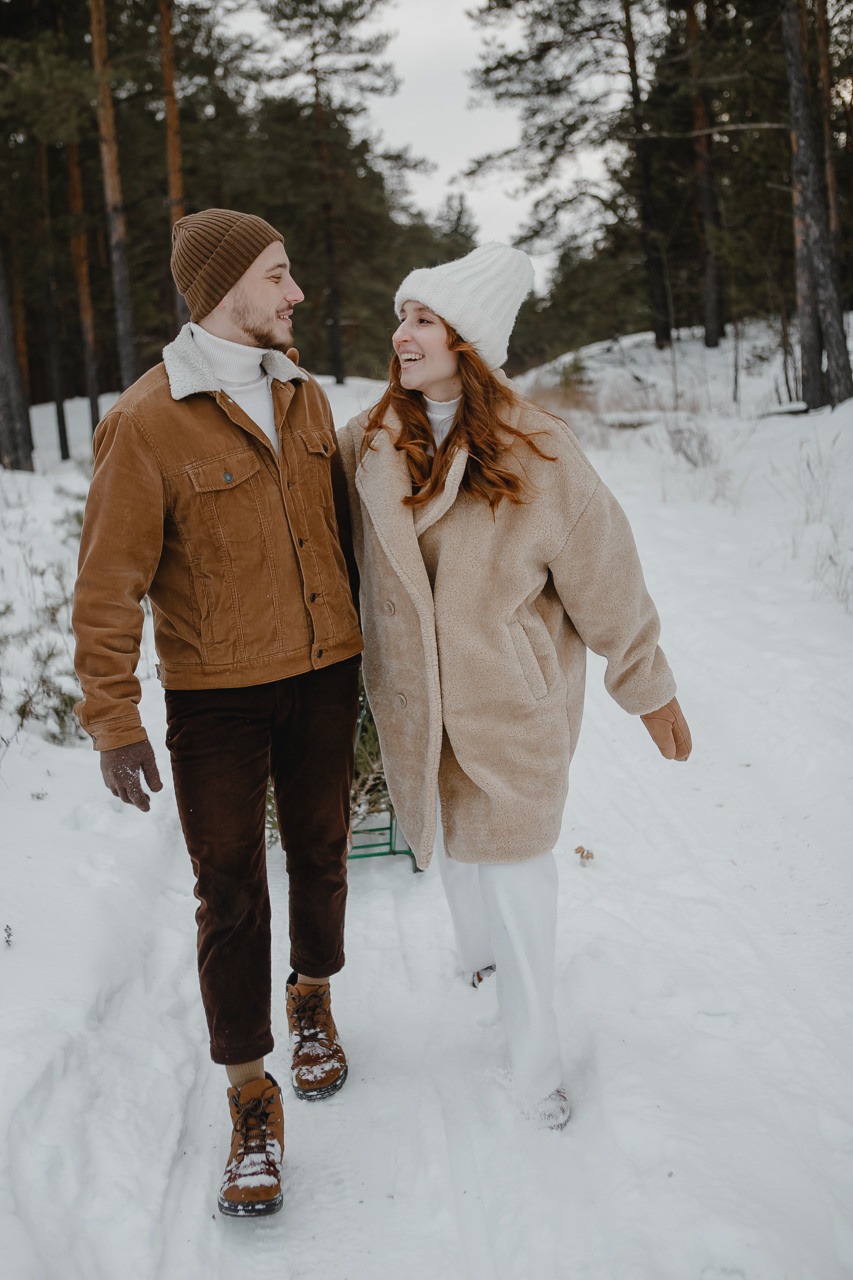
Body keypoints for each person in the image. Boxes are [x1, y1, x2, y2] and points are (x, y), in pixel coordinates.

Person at [337, 243, 691, 1130]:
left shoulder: (538, 449)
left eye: (421, 319)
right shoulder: (369, 441)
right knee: (455, 845)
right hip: (416, 704)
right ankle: (477, 961)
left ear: (467, 341)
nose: (401, 334)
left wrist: (646, 684)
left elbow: (606, 573)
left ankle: (537, 1066)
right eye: (401, 316)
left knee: (518, 873)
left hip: (511, 705)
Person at [72, 209, 363, 1214]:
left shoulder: (306, 397)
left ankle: (313, 996)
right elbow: (105, 586)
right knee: (229, 889)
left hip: (327, 673)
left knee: (322, 848)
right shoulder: (145, 421)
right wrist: (112, 715)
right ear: (225, 287)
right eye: (278, 276)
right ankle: (249, 1092)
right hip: (216, 699)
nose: (294, 295)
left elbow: (349, 544)